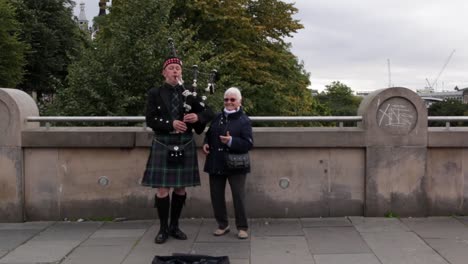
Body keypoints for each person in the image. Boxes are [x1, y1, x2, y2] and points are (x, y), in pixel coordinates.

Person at [142, 56, 214, 244]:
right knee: (163, 190)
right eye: (171, 68)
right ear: (164, 72)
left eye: (178, 68)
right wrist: (170, 123)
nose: (175, 71)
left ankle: (174, 226)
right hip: (164, 141)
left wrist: (196, 117)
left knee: (181, 189)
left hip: (185, 142)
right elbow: (150, 119)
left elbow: (209, 112)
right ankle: (163, 228)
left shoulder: (189, 93)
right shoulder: (155, 93)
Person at [202, 87, 253, 239]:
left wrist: (231, 141)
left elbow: (248, 144)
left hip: (235, 164)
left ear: (239, 101)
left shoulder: (244, 120)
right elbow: (209, 133)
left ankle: (242, 227)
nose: (229, 102)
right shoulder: (218, 117)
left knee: (238, 197)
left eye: (232, 99)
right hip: (216, 162)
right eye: (226, 99)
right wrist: (206, 143)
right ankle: (222, 225)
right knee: (216, 196)